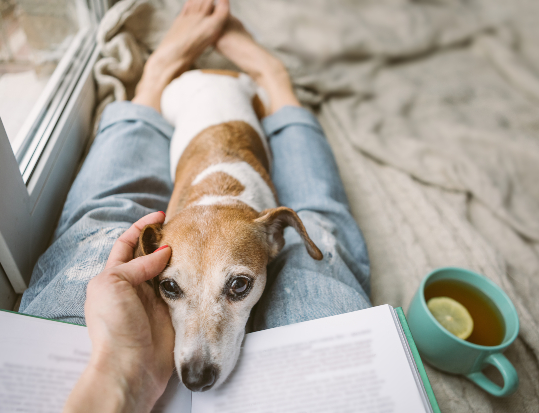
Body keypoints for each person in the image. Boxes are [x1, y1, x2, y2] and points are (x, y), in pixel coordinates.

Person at [18, 0, 371, 411]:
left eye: (238, 286)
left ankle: (165, 83)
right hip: (190, 103)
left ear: (277, 233)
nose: (197, 359)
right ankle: (274, 84)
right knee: (321, 229)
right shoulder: (174, 235)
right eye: (171, 287)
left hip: (221, 108)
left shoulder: (269, 228)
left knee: (101, 222)